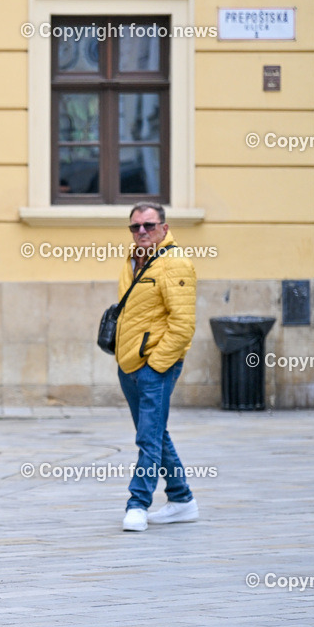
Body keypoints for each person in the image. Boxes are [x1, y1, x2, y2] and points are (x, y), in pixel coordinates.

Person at [116, 202, 199, 532]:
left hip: (155, 367)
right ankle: (182, 499)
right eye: (135, 227)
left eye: (148, 226)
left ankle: (138, 503)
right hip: (129, 364)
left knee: (148, 439)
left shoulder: (174, 264)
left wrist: (157, 365)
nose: (141, 232)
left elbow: (183, 325)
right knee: (154, 434)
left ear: (164, 228)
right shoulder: (135, 259)